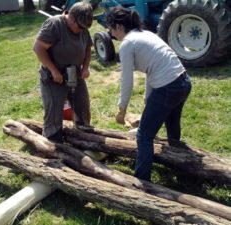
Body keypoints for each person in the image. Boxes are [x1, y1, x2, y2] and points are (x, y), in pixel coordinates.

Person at [106, 8, 192, 181]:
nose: (110, 32)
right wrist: (148, 98)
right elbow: (150, 69)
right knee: (172, 125)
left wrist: (122, 109)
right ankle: (181, 166)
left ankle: (143, 181)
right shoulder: (145, 34)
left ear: (119, 26)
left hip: (168, 86)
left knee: (144, 135)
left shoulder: (128, 44)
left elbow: (126, 80)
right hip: (183, 82)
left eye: (111, 28)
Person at [33, 2, 93, 143]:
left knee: (83, 107)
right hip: (54, 77)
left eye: (85, 28)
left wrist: (85, 67)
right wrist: (54, 70)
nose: (81, 30)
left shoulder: (82, 26)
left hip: (74, 74)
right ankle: (52, 144)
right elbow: (38, 48)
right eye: (80, 27)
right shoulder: (55, 24)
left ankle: (84, 138)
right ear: (71, 17)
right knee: (54, 112)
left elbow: (88, 48)